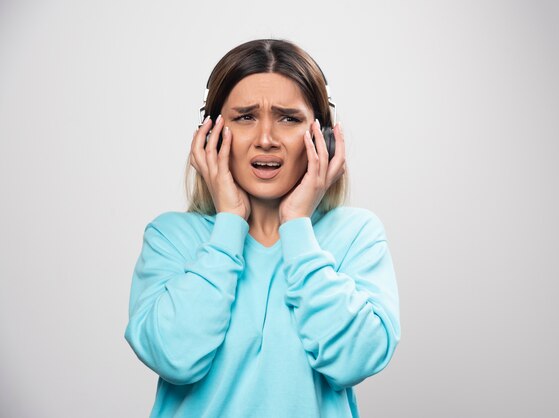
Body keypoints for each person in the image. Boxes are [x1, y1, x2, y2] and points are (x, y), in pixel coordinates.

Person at [124, 38, 401, 418]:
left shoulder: (356, 235)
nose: (266, 139)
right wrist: (228, 226)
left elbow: (356, 360)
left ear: (323, 137)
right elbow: (174, 357)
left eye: (288, 118)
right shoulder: (170, 238)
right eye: (245, 117)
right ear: (210, 133)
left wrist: (298, 227)